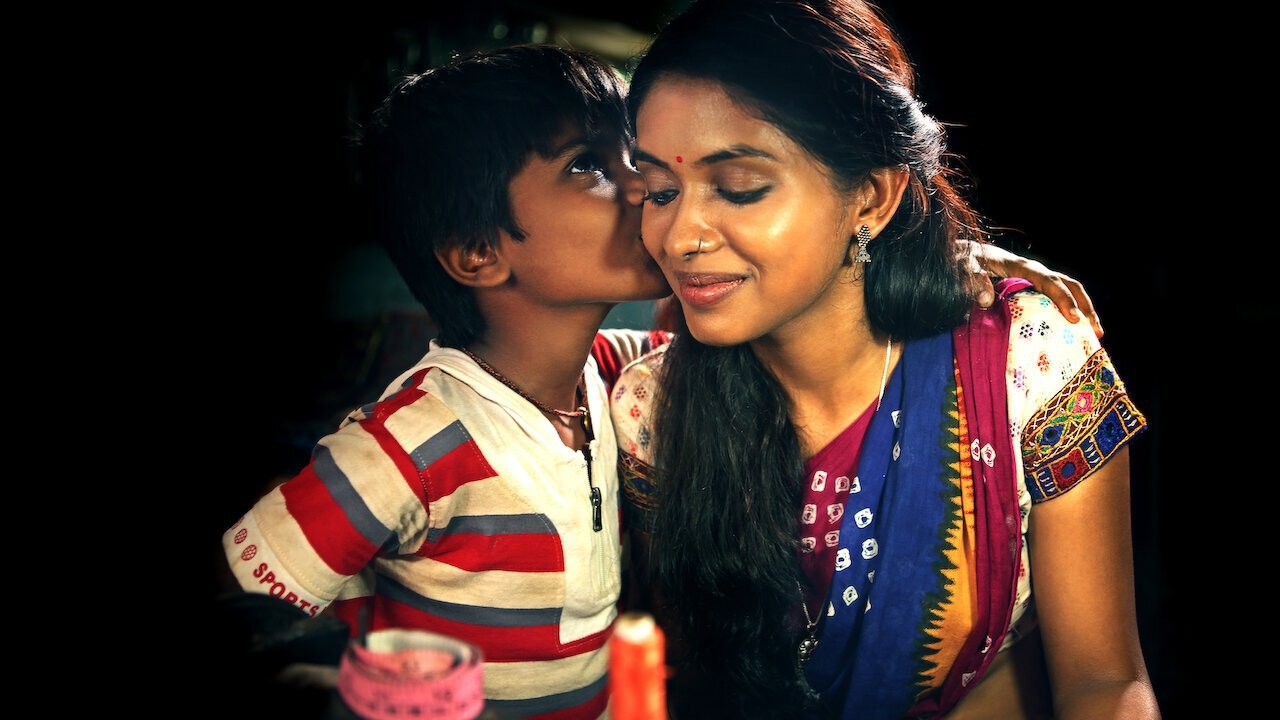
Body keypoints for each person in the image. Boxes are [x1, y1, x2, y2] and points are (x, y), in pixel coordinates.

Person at [218, 39, 1100, 720]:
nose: (645, 195)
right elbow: (244, 604)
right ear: (478, 253)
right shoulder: (411, 440)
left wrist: (952, 260)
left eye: (631, 163)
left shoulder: (608, 382)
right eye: (589, 168)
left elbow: (794, 308)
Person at [611, 2, 1159, 719]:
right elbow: (688, 678)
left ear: (871, 196)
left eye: (740, 188)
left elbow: (1103, 681)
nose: (680, 236)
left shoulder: (1024, 360)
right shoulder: (651, 410)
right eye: (659, 191)